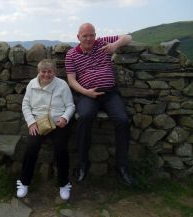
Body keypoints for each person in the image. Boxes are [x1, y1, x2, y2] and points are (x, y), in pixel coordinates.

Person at [65, 23, 134, 186]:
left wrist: (115, 45)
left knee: (123, 121)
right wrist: (86, 92)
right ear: (78, 37)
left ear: (95, 35)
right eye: (85, 36)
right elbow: (71, 79)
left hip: (110, 94)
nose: (89, 39)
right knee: (85, 117)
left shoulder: (103, 42)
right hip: (87, 95)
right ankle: (83, 164)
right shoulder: (71, 54)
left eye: (92, 35)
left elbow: (129, 36)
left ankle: (122, 166)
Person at [17, 59, 75, 200]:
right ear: (39, 72)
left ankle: (63, 183)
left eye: (50, 71)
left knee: (61, 148)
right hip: (38, 122)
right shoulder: (32, 84)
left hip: (58, 122)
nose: (46, 74)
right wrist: (31, 123)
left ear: (55, 72)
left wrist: (65, 118)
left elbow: (70, 106)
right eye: (43, 71)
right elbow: (25, 105)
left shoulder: (62, 85)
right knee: (32, 146)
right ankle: (24, 182)